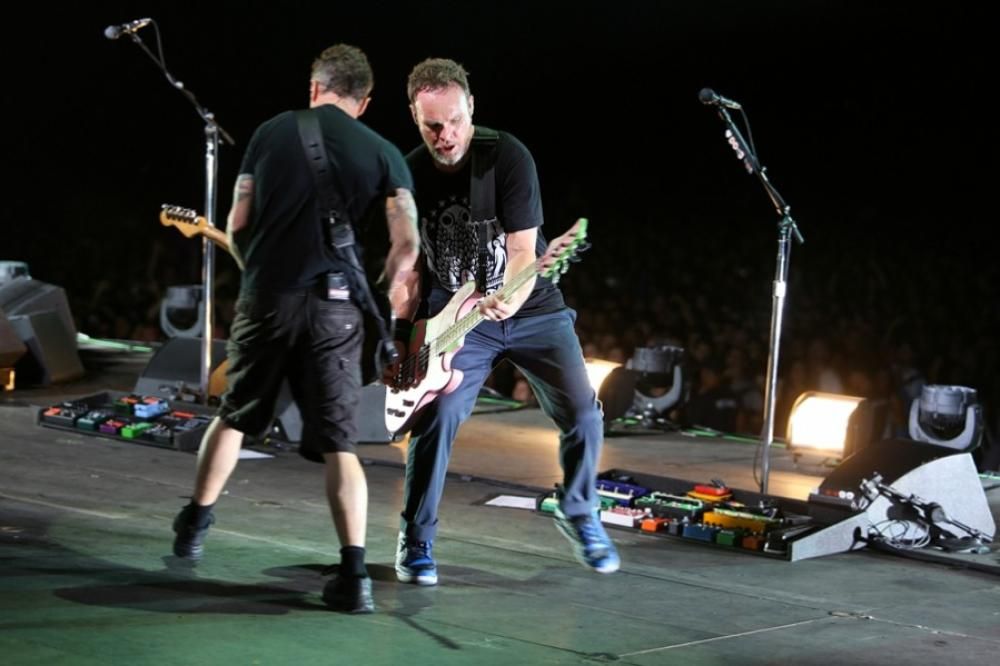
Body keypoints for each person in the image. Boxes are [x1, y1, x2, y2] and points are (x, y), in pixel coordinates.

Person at [170, 44, 420, 614]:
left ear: (314, 88)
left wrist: (258, 271)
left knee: (236, 415)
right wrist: (379, 294)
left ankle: (194, 526)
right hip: (337, 307)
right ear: (365, 101)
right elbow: (406, 246)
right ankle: (353, 576)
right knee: (340, 443)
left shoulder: (271, 132)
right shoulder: (385, 153)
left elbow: (237, 223)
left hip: (269, 296)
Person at [392, 57, 619, 586]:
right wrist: (402, 335)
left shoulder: (508, 157)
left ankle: (578, 509)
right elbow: (406, 266)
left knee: (583, 413)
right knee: (438, 414)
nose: (446, 136)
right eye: (432, 126)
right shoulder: (408, 175)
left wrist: (508, 301)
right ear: (415, 118)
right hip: (453, 317)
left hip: (530, 306)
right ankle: (416, 538)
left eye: (455, 121)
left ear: (471, 108)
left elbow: (521, 250)